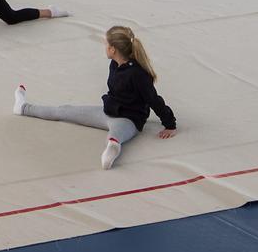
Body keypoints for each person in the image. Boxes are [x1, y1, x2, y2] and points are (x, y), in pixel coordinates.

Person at [14, 25, 178, 170]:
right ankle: (23, 108)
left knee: (115, 137)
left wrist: (169, 123)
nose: (104, 47)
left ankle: (111, 151)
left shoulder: (138, 74)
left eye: (106, 44)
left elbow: (153, 99)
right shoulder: (115, 64)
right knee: (64, 111)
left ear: (113, 49)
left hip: (129, 120)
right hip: (107, 112)